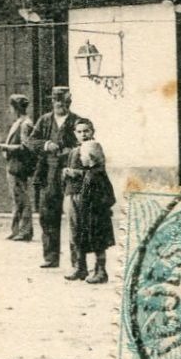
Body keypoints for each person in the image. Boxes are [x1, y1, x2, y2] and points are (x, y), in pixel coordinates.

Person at [30, 86, 88, 271]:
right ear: (52, 102)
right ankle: (50, 257)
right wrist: (46, 144)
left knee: (76, 217)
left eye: (64, 101)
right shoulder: (45, 120)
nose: (60, 104)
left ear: (69, 102)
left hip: (72, 174)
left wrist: (70, 151)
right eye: (57, 101)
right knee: (47, 216)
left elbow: (87, 144)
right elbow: (31, 141)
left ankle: (78, 262)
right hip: (48, 174)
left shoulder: (77, 122)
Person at [61, 119, 115, 284]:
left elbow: (95, 172)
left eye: (86, 131)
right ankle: (80, 267)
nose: (83, 134)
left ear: (92, 131)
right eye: (79, 132)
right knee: (76, 231)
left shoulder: (94, 147)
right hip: (73, 194)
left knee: (96, 230)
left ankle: (101, 270)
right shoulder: (74, 151)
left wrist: (74, 173)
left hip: (91, 196)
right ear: (75, 134)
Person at [0, 95, 36, 242]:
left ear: (16, 108)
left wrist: (4, 147)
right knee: (16, 198)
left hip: (19, 166)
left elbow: (25, 147)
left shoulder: (25, 124)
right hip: (13, 165)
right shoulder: (19, 122)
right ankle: (16, 230)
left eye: (11, 107)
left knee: (22, 199)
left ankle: (25, 231)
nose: (10, 110)